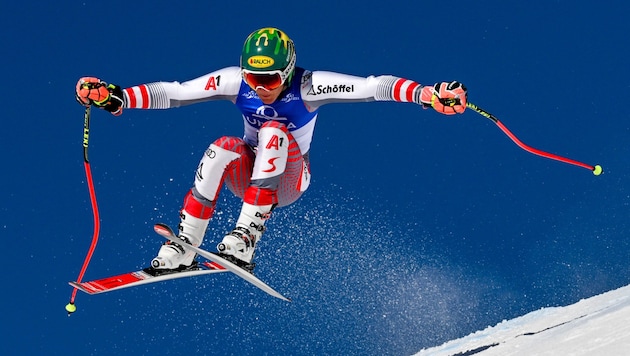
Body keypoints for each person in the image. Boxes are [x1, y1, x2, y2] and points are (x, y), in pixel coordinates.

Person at [75, 27, 467, 272]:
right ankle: (185, 244)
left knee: (273, 132)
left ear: (288, 71)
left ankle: (245, 237)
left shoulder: (309, 86)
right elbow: (177, 93)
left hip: (289, 180)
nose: (259, 86)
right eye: (252, 76)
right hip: (248, 175)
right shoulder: (236, 82)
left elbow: (372, 86)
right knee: (223, 147)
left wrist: (427, 95)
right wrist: (119, 97)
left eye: (269, 78)